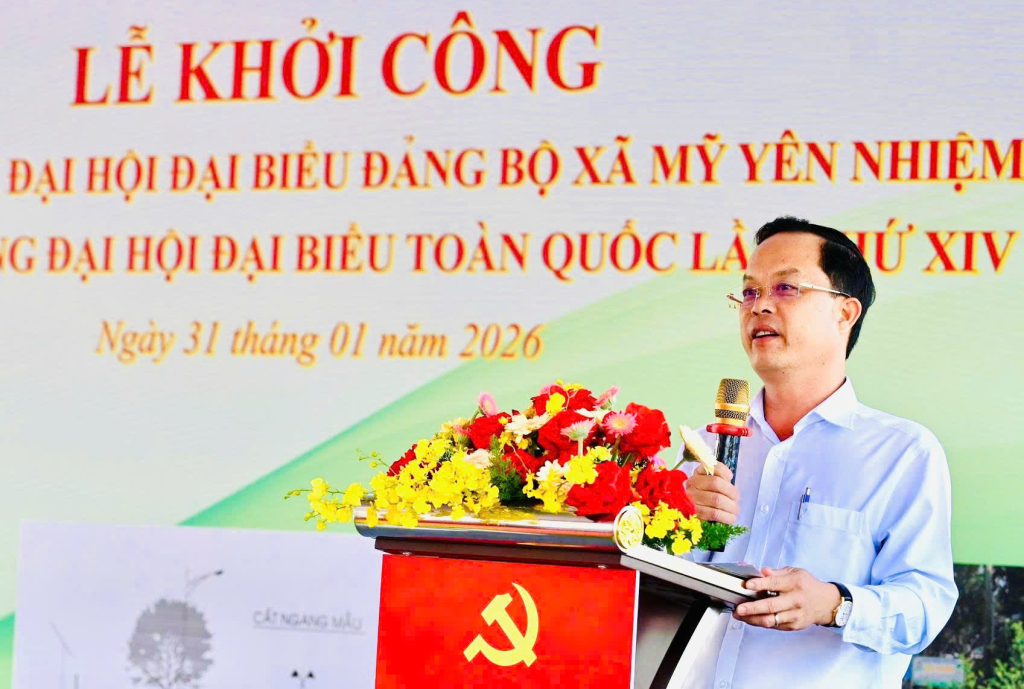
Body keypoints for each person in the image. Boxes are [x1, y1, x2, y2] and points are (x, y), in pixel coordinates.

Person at [678, 216, 958, 688]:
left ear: (845, 312)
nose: (759, 306)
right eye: (749, 292)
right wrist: (672, 525)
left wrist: (834, 603)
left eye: (786, 288)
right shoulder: (706, 447)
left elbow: (925, 607)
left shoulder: (902, 453)